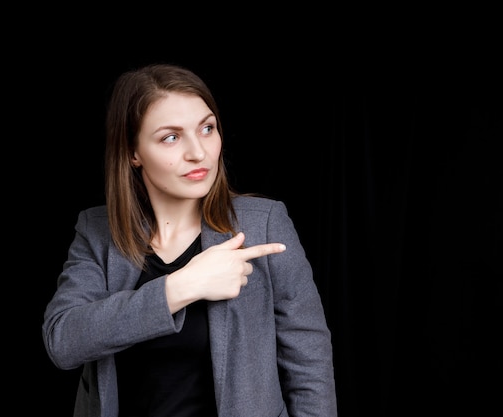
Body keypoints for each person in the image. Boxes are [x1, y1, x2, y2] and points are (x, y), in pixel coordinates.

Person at [42, 63, 338, 417]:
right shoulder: (96, 232)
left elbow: (310, 364)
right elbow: (63, 342)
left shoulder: (265, 224)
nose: (199, 152)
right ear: (133, 152)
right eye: (171, 136)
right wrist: (182, 286)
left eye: (207, 129)